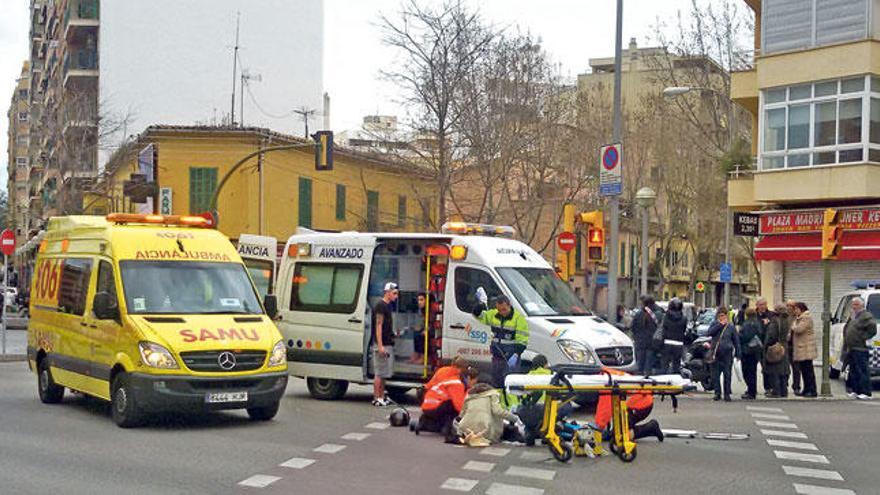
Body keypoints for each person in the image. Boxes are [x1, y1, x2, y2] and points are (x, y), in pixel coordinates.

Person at [469, 293, 529, 388]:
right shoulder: (493, 315)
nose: (502, 312)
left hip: (510, 358)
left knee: (510, 384)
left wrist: (516, 354)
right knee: (497, 383)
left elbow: (522, 341)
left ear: (509, 305)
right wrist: (481, 304)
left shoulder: (518, 319)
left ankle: (511, 402)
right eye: (499, 310)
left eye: (504, 309)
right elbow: (477, 314)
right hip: (497, 357)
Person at [594, 367, 663, 442]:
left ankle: (651, 427)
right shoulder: (608, 374)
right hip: (640, 401)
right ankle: (649, 428)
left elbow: (605, 409)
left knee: (618, 435)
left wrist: (597, 429)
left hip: (641, 403)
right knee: (616, 432)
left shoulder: (606, 381)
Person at [416, 356, 469, 442]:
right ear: (459, 369)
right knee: (451, 404)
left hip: (427, 403)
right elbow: (458, 406)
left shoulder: (442, 370)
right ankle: (447, 426)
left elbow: (429, 386)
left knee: (446, 402)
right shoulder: (455, 382)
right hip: (437, 405)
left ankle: (426, 421)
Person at [457, 381, 522, 445]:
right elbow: (497, 411)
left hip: (466, 429)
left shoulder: (469, 396)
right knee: (510, 430)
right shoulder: (492, 394)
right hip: (486, 429)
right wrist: (515, 418)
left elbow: (462, 414)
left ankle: (471, 437)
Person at [843, 297, 877, 400]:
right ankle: (855, 390)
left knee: (862, 370)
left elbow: (872, 329)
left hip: (860, 347)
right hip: (851, 347)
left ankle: (865, 392)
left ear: (862, 305)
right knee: (853, 370)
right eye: (853, 304)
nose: (854, 307)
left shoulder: (866, 316)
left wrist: (863, 337)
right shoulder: (854, 316)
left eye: (856, 304)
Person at [372, 282, 399, 406]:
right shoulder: (380, 306)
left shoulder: (388, 306)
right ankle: (377, 397)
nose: (396, 296)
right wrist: (380, 345)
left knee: (384, 373)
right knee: (379, 372)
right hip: (382, 344)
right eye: (394, 293)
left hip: (388, 342)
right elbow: (378, 325)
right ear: (387, 292)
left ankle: (382, 396)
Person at [707, 307, 741, 402]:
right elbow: (709, 333)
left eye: (723, 315)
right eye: (720, 315)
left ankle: (727, 393)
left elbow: (736, 340)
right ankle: (717, 393)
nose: (722, 317)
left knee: (727, 374)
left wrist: (738, 353)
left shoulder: (730, 327)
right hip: (716, 352)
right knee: (715, 374)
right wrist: (719, 325)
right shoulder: (714, 324)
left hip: (727, 353)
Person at [790, 302, 817, 398]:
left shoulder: (806, 317)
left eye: (796, 309)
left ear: (801, 309)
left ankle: (812, 390)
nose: (795, 311)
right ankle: (806, 389)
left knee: (808, 370)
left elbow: (799, 329)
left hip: (806, 348)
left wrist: (793, 325)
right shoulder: (799, 318)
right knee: (804, 371)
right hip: (802, 348)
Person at [763, 304, 791, 398]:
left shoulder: (775, 321)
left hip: (775, 347)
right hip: (784, 346)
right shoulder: (787, 320)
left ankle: (776, 391)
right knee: (783, 370)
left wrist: (766, 345)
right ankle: (784, 390)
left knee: (774, 369)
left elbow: (771, 335)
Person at [631, 295, 662, 375]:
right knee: (649, 365)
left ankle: (639, 380)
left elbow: (633, 327)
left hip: (640, 343)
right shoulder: (657, 315)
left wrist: (636, 337)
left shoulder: (638, 314)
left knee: (639, 365)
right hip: (651, 343)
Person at [739, 307, 763, 400]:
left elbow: (746, 336)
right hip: (755, 350)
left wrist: (739, 335)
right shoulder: (757, 322)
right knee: (752, 371)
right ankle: (751, 390)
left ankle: (751, 391)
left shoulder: (749, 324)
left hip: (748, 350)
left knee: (747, 371)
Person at [660, 298, 687, 374]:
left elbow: (663, 329)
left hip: (667, 342)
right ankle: (675, 380)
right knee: (676, 365)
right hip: (679, 343)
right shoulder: (684, 318)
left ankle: (664, 380)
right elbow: (684, 330)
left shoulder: (666, 317)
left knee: (664, 364)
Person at [755, 298, 775, 394]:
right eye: (761, 304)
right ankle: (752, 388)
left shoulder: (771, 315)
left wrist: (767, 325)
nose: (763, 306)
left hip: (767, 345)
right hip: (755, 346)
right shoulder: (753, 316)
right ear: (757, 305)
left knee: (767, 367)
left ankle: (769, 387)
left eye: (764, 304)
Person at [785, 299, 801, 396]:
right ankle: (784, 385)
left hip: (795, 345)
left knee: (796, 368)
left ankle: (796, 387)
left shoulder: (798, 317)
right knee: (786, 367)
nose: (789, 308)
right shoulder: (784, 317)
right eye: (788, 305)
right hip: (786, 345)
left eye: (791, 306)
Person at [409, 292, 428, 364]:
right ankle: (416, 354)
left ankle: (423, 357)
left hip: (432, 330)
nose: (419, 302)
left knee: (421, 336)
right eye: (418, 300)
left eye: (421, 300)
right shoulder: (423, 310)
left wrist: (426, 330)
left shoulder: (429, 310)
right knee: (416, 333)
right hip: (426, 328)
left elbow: (432, 322)